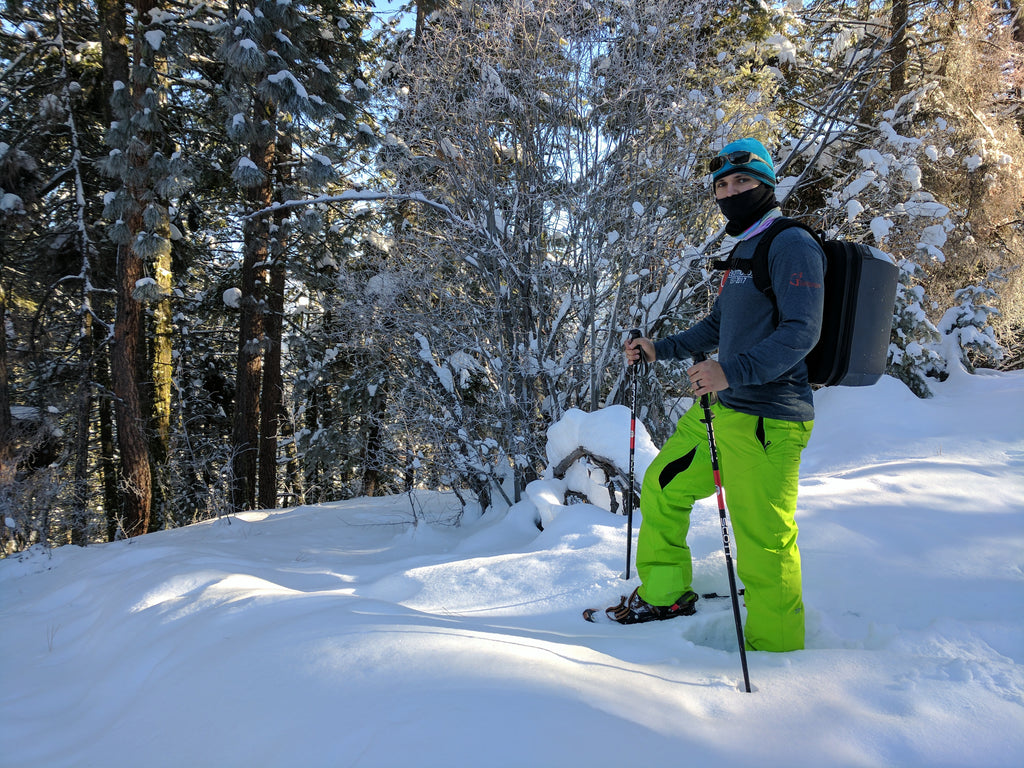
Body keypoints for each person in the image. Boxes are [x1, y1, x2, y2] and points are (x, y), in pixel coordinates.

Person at [614, 137, 825, 653]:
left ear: (767, 185)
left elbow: (803, 331)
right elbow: (717, 325)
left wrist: (731, 371)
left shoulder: (791, 244)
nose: (731, 191)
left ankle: (777, 653)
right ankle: (665, 595)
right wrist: (657, 348)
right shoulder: (744, 248)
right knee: (664, 489)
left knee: (764, 544)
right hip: (718, 413)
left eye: (743, 182)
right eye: (723, 185)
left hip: (768, 421)